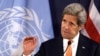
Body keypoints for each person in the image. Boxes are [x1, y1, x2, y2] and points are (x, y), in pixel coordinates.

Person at [22, 3, 100, 56]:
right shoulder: (47, 47)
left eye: (71, 23)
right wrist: (27, 53)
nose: (65, 27)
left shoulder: (93, 49)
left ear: (80, 26)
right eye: (64, 21)